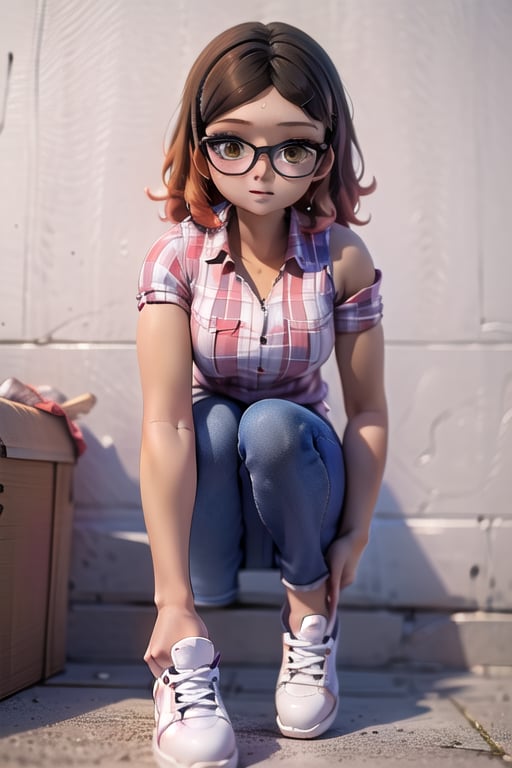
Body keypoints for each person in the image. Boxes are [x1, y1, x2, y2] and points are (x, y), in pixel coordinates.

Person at [136, 20, 387, 768]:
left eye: (294, 147)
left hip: (296, 477)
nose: (263, 170)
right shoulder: (177, 257)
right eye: (234, 143)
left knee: (274, 424)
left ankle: (309, 618)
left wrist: (358, 531)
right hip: (209, 490)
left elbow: (367, 410)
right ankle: (186, 647)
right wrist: (168, 594)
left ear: (325, 152)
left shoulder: (340, 258)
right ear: (200, 143)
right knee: (208, 422)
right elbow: (163, 423)